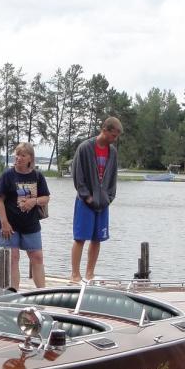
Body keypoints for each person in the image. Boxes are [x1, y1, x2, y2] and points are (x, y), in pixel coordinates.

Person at [70, 116, 122, 283]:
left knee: (97, 238)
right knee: (80, 238)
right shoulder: (85, 148)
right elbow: (77, 175)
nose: (114, 139)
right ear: (104, 130)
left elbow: (113, 177)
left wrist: (109, 197)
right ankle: (75, 275)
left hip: (103, 203)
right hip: (85, 202)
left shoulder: (112, 152)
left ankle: (90, 273)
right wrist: (87, 196)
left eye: (117, 137)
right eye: (113, 135)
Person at [0, 142, 51, 289]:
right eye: (17, 154)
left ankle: (42, 293)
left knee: (37, 257)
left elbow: (46, 198)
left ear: (30, 158)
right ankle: (13, 293)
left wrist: (34, 201)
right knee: (12, 258)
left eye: (23, 155)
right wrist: (4, 223)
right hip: (9, 225)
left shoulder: (37, 176)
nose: (19, 158)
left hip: (30, 224)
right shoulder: (7, 175)